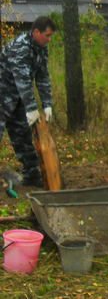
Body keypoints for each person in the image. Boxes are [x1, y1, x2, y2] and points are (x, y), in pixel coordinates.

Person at [0, 16, 56, 188]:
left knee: (22, 135)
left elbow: (42, 76)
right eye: (47, 35)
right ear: (36, 32)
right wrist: (31, 108)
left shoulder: (41, 48)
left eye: (51, 36)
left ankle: (32, 175)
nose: (49, 39)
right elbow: (22, 80)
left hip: (17, 98)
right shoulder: (20, 47)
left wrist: (47, 103)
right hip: (2, 95)